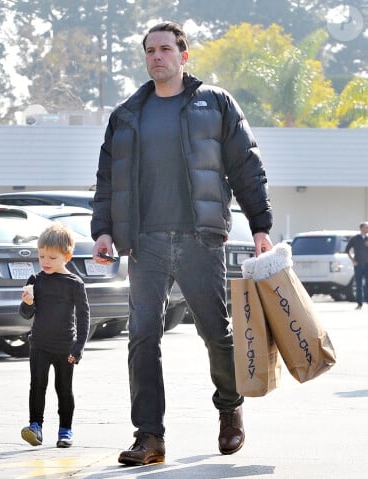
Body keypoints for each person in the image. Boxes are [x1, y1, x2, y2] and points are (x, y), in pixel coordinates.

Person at [91, 21, 273, 465]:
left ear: (183, 55)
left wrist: (261, 225)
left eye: (166, 49)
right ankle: (149, 437)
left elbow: (245, 166)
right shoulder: (127, 114)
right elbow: (107, 179)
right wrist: (103, 229)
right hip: (146, 242)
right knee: (142, 337)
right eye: (150, 50)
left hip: (200, 238)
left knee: (217, 334)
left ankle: (229, 411)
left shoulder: (215, 104)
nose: (157, 56)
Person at [19, 223, 90, 448]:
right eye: (41, 256)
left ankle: (65, 430)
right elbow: (25, 314)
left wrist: (78, 347)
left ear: (67, 256)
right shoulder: (36, 280)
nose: (46, 262)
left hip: (64, 347)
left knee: (64, 389)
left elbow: (84, 316)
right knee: (37, 386)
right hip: (39, 344)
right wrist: (27, 302)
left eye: (52, 257)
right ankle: (35, 427)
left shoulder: (74, 284)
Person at [345, 222, 368, 309]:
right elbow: (347, 250)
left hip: (367, 264)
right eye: (366, 227)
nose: (367, 229)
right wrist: (352, 260)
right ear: (361, 228)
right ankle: (359, 303)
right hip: (358, 264)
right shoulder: (355, 239)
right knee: (359, 283)